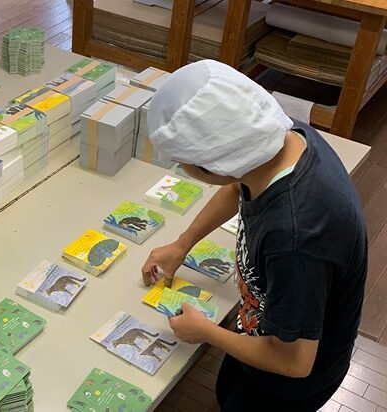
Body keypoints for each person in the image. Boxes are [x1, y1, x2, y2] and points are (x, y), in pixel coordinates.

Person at [141, 60, 367, 411]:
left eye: (182, 162)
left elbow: (294, 361)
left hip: (291, 382)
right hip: (262, 326)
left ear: (212, 166)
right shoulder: (283, 138)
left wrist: (207, 332)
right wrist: (182, 243)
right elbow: (237, 185)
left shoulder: (296, 239)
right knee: (229, 389)